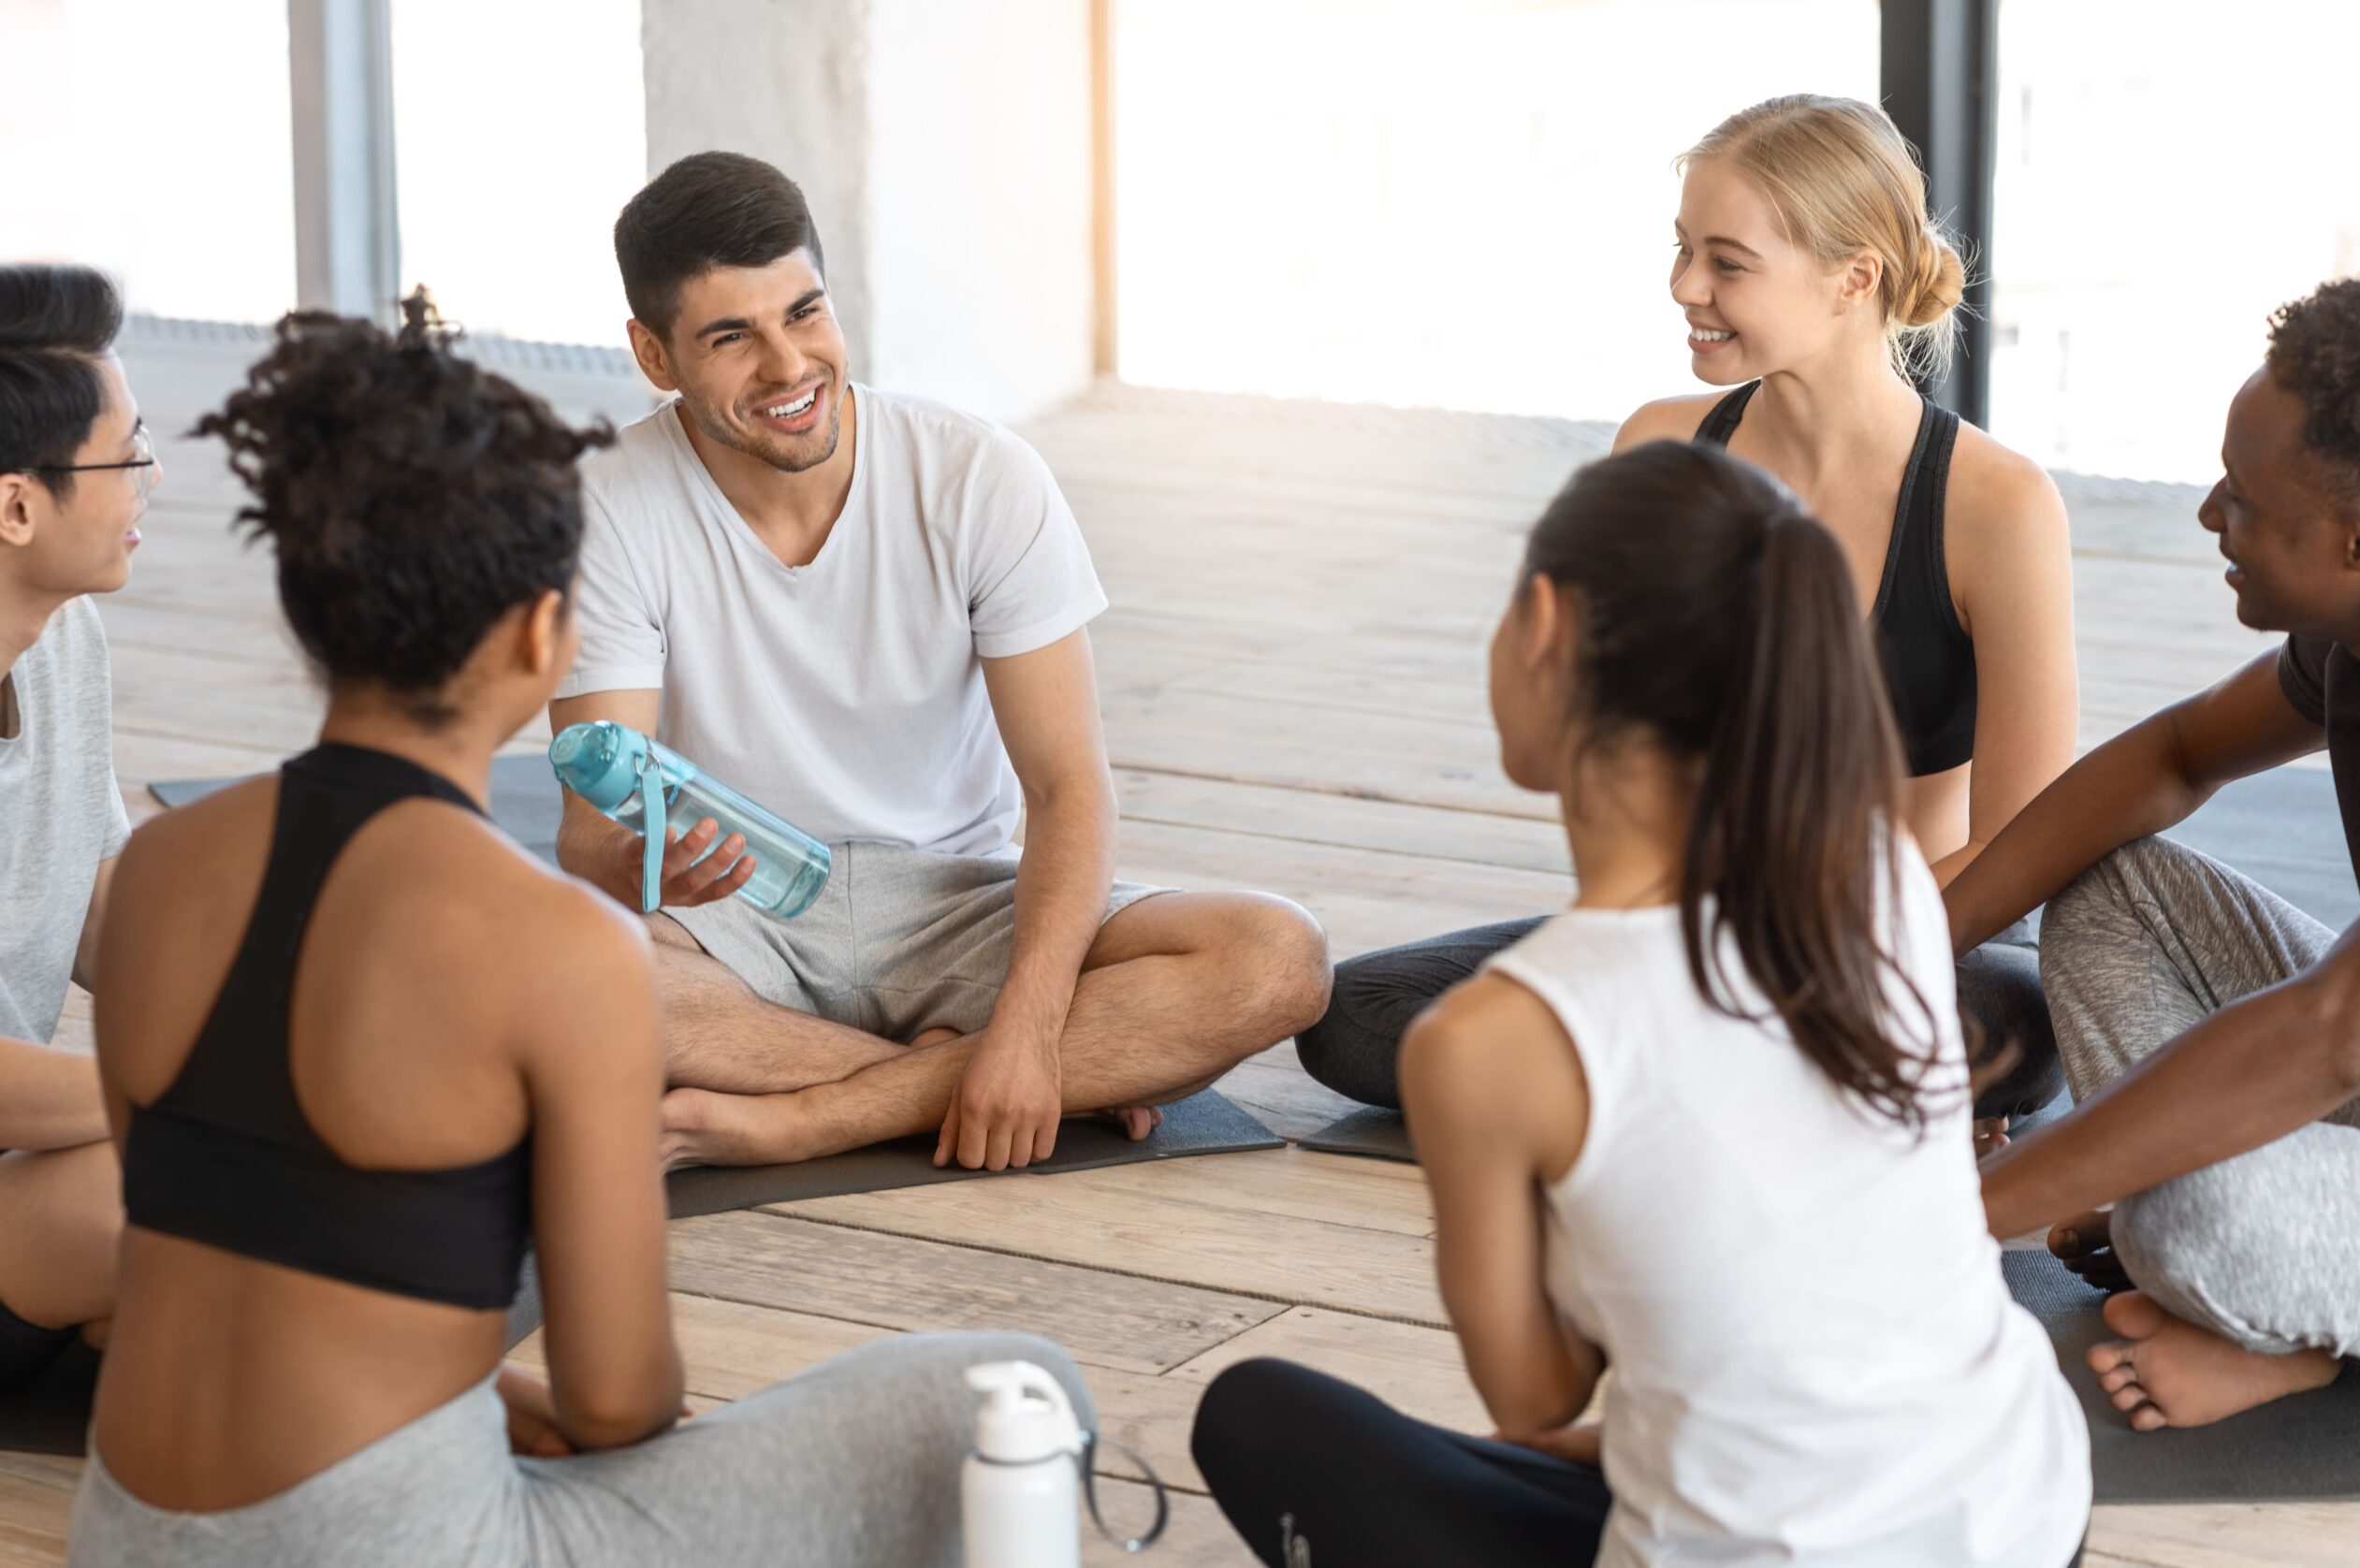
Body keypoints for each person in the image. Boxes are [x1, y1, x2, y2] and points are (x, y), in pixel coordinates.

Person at [72, 302, 1096, 1568]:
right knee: (1016, 1390)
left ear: (307, 619)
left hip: (125, 1533)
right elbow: (623, 1404)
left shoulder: (161, 868)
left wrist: (476, 1400)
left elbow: (208, 1240)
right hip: (401, 1544)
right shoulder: (558, 947)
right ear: (541, 633)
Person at [1192, 442, 2089, 1568]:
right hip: (2021, 1512)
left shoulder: (1491, 1039)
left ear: (1546, 628)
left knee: (1257, 1415)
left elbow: (1537, 1390)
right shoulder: (1880, 875)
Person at [1296, 94, 2078, 1142]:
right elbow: (1607, 747)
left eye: (1725, 262)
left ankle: (1658, 1078)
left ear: (1855, 276)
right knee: (1351, 1019)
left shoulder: (1997, 504)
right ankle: (1773, 1086)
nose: (1684, 289)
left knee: (2020, 1032)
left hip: (1913, 940)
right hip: (1690, 929)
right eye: (1681, 251)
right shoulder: (1661, 448)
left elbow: (2021, 842)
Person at [550, 152, 1331, 1171]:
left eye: (805, 314)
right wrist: (642, 861)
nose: (788, 368)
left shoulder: (978, 475)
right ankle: (967, 1082)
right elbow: (584, 834)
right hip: (737, 921)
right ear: (654, 355)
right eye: (732, 336)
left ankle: (810, 1112)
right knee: (562, 980)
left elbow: (1066, 788)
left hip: (961, 899)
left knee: (1277, 959)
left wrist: (1028, 1017)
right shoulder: (603, 501)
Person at [1957, 273, 2360, 1430]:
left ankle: (2278, 1310)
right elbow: (2170, 757)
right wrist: (1906, 944)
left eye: (2244, 498)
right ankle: (2270, 1280)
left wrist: (1951, 1213)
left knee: (2191, 1205)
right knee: (2109, 883)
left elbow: (2333, 1029)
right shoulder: (2359, 635)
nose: (2210, 514)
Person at [0, 263, 153, 1394]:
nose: (151, 484)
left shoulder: (60, 636)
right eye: (131, 456)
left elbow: (102, 902)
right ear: (17, 505)